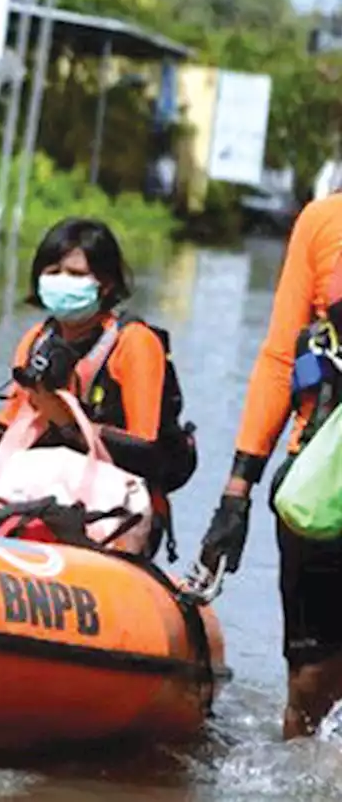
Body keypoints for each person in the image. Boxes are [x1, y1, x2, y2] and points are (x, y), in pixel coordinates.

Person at [0, 218, 196, 560]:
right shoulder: (37, 341)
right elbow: (13, 425)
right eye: (53, 271)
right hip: (47, 496)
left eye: (75, 274)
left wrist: (70, 426)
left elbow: (146, 450)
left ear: (105, 284)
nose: (61, 282)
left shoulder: (134, 343)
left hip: (118, 508)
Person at [196, 192, 342, 740]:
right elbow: (282, 356)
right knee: (310, 683)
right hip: (322, 482)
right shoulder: (324, 221)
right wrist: (237, 494)